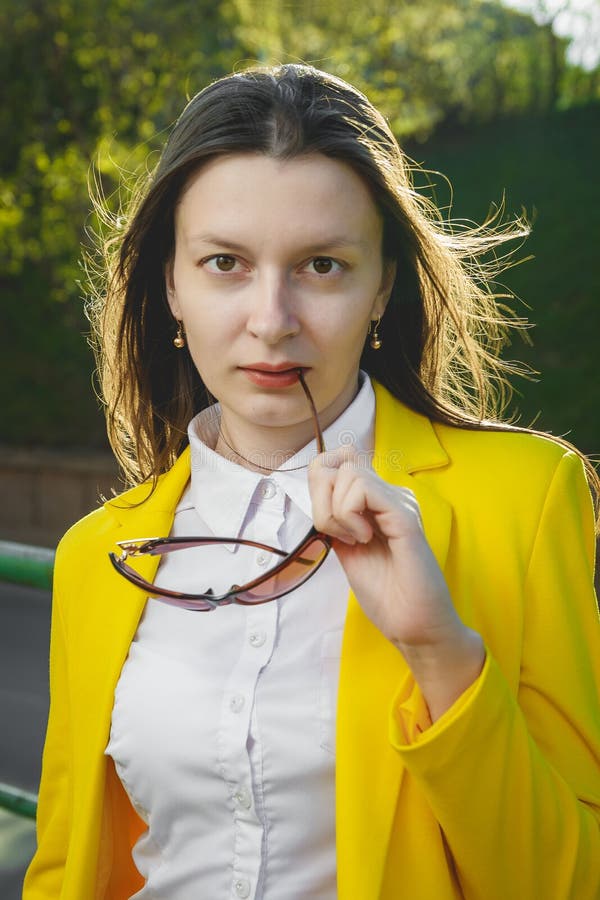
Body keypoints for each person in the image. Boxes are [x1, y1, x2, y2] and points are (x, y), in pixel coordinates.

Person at [23, 64, 599, 900]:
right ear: (171, 286)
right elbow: (61, 868)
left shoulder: (528, 498)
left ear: (383, 285)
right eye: (225, 262)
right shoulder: (97, 556)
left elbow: (573, 879)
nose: (272, 319)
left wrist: (441, 654)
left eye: (322, 266)